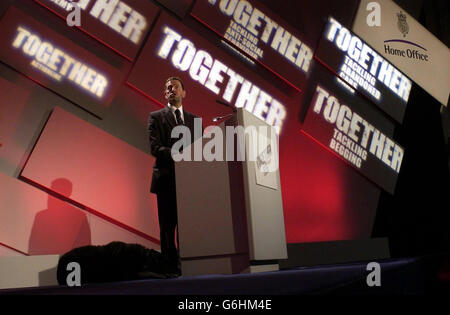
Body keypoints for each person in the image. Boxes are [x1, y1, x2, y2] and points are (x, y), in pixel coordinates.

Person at [147, 77, 200, 274]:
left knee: (188, 228)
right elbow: (155, 148)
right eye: (168, 87)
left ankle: (191, 267)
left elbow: (200, 149)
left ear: (184, 93)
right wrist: (180, 154)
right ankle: (169, 271)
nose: (171, 89)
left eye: (175, 87)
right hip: (166, 180)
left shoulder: (195, 121)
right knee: (168, 229)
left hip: (189, 184)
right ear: (165, 94)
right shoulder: (156, 117)